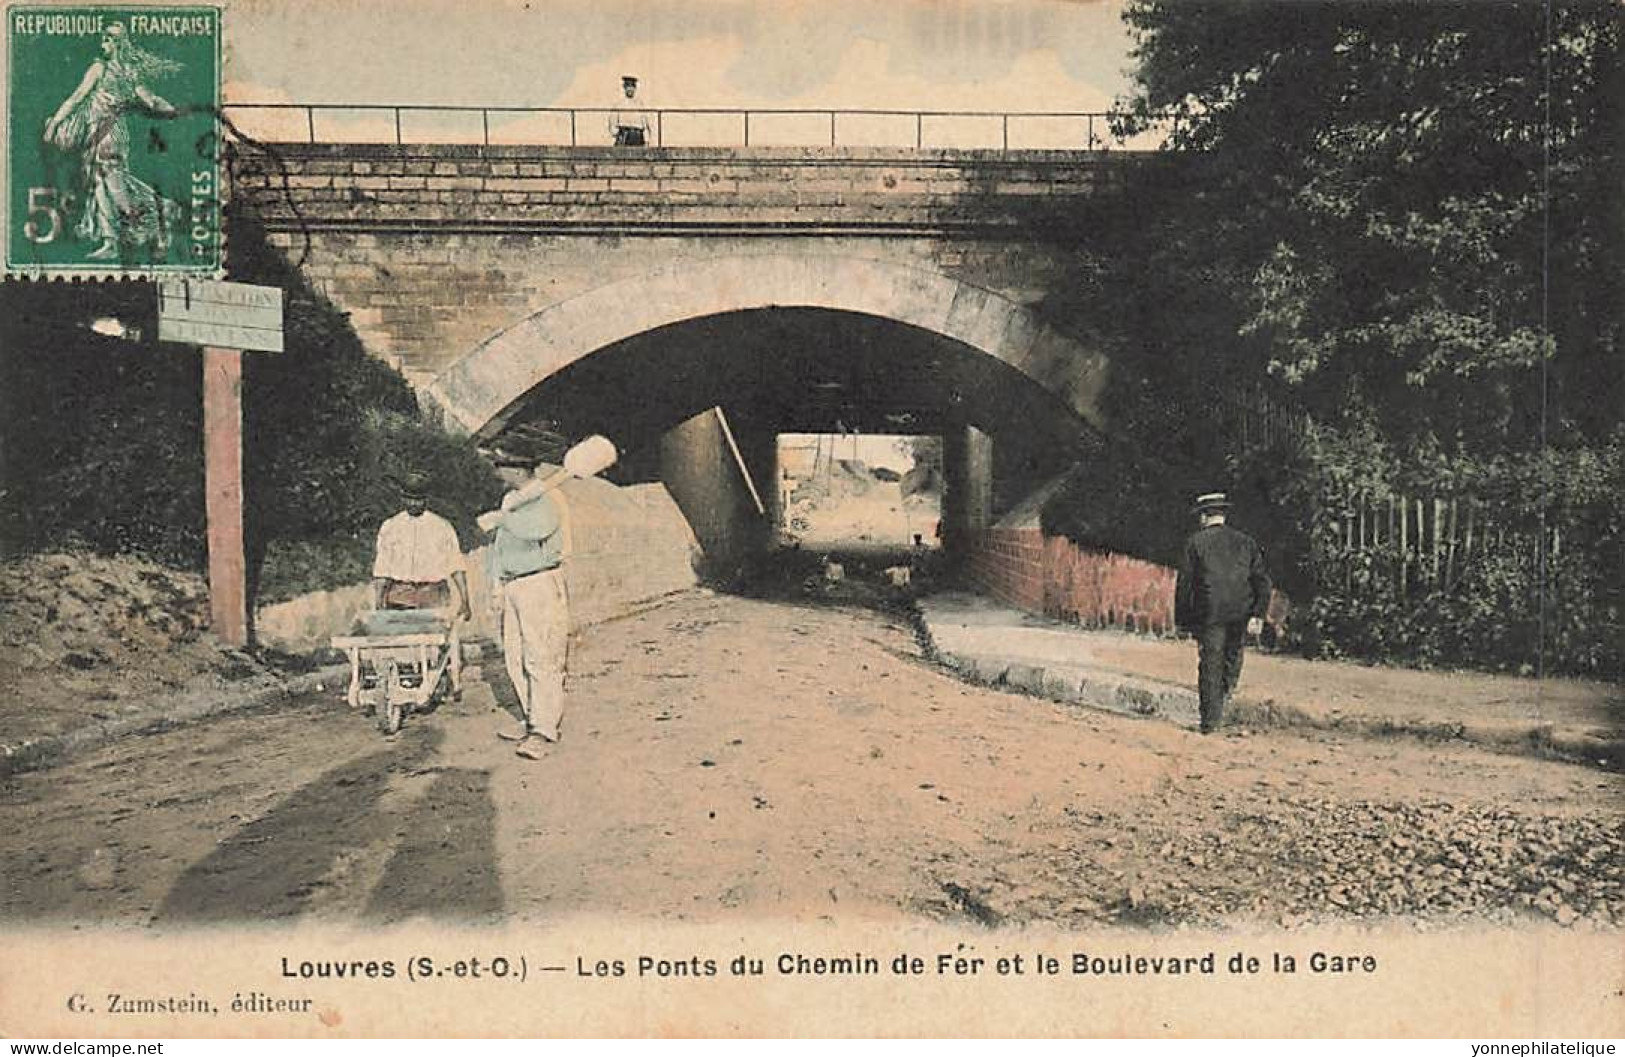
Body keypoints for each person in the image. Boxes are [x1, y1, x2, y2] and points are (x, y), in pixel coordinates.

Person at [42, 22, 181, 261]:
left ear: (116, 43)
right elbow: (151, 101)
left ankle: (162, 211)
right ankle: (111, 242)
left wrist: (54, 124)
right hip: (101, 135)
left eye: (106, 40)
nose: (102, 44)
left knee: (117, 191)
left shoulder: (100, 68)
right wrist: (170, 109)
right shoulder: (129, 72)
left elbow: (76, 98)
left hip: (108, 135)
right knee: (99, 185)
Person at [480, 454, 569, 760]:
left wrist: (503, 518)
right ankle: (531, 716)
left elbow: (539, 529)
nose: (497, 470)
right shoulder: (511, 498)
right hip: (514, 583)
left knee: (541, 655)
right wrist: (496, 585)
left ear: (518, 467)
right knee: (514, 656)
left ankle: (544, 729)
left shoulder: (548, 495)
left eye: (501, 464)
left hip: (539, 582)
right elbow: (501, 547)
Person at [1174, 491, 1272, 734]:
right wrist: (1258, 614)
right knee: (1232, 658)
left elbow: (1185, 585)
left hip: (1210, 613)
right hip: (1241, 611)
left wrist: (1183, 621)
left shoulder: (1196, 543)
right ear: (1223, 515)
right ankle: (1224, 703)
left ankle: (1210, 721)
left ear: (1205, 517)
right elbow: (1262, 581)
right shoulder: (1246, 542)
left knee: (1210, 663)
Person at [371, 471, 471, 694]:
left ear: (426, 499)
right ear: (402, 498)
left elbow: (456, 565)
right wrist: (378, 602)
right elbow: (382, 568)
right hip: (400, 592)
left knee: (434, 643)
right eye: (409, 497)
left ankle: (439, 679)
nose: (413, 503)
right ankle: (403, 681)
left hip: (432, 592)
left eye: (418, 498)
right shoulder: (391, 526)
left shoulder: (441, 527)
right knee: (401, 642)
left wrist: (465, 600)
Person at [608, 75, 651, 146]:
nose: (630, 89)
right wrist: (619, 134)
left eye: (632, 87)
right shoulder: (619, 105)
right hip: (624, 136)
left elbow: (646, 125)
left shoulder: (640, 105)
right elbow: (612, 123)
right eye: (628, 87)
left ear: (635, 88)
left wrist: (646, 141)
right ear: (624, 88)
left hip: (637, 136)